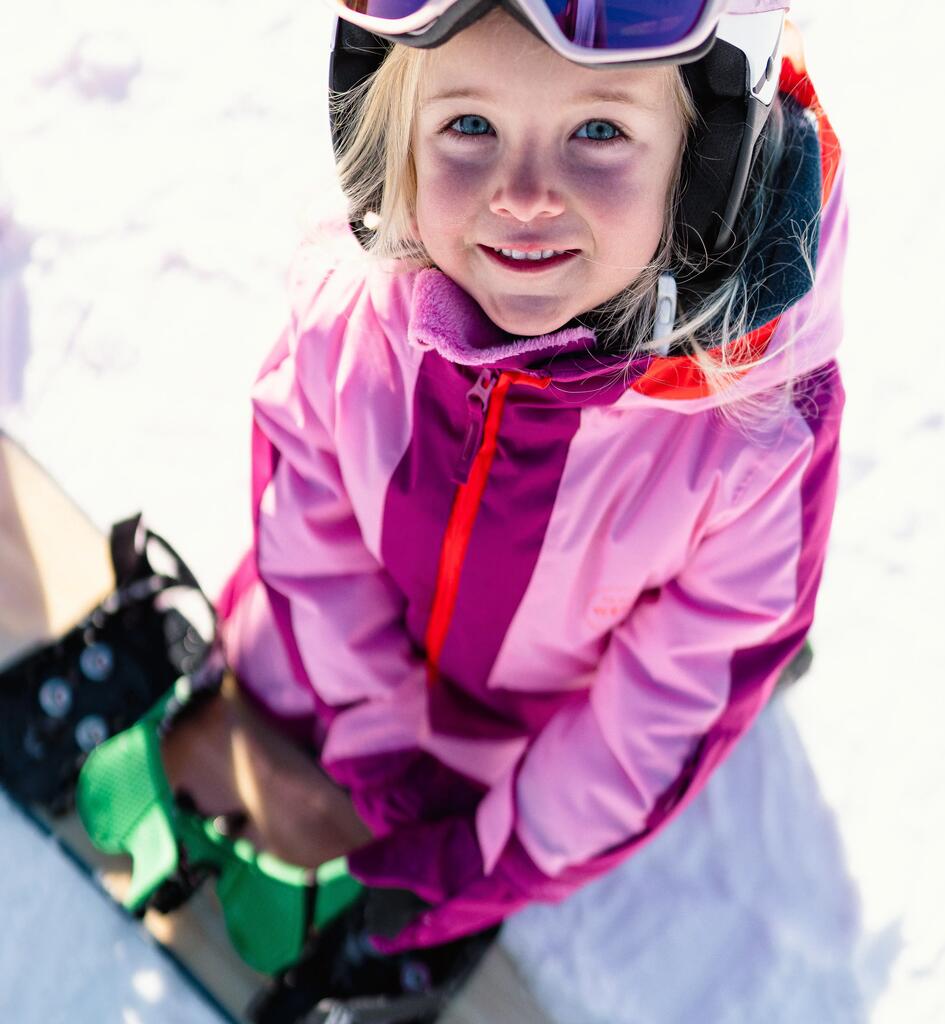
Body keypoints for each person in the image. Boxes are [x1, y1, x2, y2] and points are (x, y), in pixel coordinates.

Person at [168, 0, 846, 984]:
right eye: (469, 127)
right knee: (270, 670)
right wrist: (375, 737)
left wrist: (499, 854)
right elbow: (306, 511)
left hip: (534, 737)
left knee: (631, 754)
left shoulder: (749, 436)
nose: (524, 196)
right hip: (338, 656)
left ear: (704, 162)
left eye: (600, 131)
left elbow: (671, 692)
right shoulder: (358, 311)